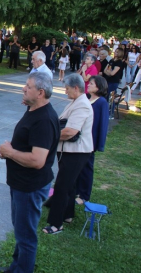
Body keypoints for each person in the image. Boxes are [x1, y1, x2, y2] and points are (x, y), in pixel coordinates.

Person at [0, 72, 60, 273]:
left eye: (28, 86)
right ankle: (16, 267)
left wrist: (10, 152)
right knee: (20, 229)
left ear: (40, 93)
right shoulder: (35, 109)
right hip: (21, 183)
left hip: (29, 186)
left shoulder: (43, 120)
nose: (23, 88)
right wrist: (10, 151)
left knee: (26, 236)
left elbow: (37, 160)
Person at [43, 74, 93, 234]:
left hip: (76, 152)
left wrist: (50, 137)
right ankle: (68, 215)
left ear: (76, 88)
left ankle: (56, 224)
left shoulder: (82, 105)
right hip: (70, 151)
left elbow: (71, 131)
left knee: (62, 186)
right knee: (70, 185)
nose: (65, 92)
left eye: (67, 88)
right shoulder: (76, 102)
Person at [75, 75, 109, 205]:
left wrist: (98, 144)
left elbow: (103, 124)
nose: (88, 85)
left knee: (86, 168)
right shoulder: (88, 99)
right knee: (79, 167)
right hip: (81, 139)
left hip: (91, 141)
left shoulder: (101, 102)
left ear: (99, 87)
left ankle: (84, 196)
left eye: (92, 84)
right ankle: (77, 190)